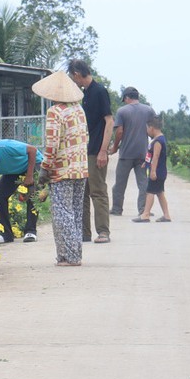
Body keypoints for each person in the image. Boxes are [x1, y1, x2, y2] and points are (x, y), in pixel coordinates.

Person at [35, 70, 89, 266]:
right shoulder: (78, 110)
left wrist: (45, 168)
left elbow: (52, 143)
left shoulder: (55, 112)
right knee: (75, 213)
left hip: (62, 170)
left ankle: (70, 256)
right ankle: (71, 254)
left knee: (62, 213)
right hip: (80, 169)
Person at [67, 60, 113, 244]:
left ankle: (103, 232)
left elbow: (109, 121)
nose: (72, 79)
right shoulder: (84, 94)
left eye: (72, 76)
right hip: (84, 150)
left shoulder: (99, 91)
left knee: (98, 191)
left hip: (96, 151)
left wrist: (103, 151)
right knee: (83, 193)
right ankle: (84, 233)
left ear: (77, 74)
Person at [110, 87, 154, 217]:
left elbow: (119, 131)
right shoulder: (149, 110)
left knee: (120, 183)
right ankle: (143, 210)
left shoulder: (122, 111)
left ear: (127, 97)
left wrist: (115, 147)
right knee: (143, 183)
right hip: (142, 153)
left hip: (126, 153)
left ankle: (117, 209)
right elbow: (154, 129)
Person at [134, 116, 172, 223]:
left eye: (147, 128)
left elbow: (156, 157)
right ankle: (166, 215)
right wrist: (145, 163)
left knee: (150, 191)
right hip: (160, 172)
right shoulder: (157, 139)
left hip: (157, 172)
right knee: (160, 193)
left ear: (151, 128)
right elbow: (150, 156)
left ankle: (145, 214)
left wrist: (153, 171)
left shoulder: (158, 141)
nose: (147, 131)